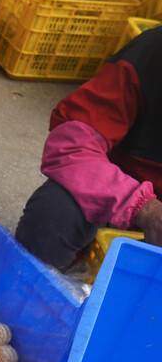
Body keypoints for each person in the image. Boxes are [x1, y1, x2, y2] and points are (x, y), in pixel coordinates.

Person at [15, 25, 161, 270]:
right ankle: (30, 294)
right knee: (55, 209)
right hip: (119, 199)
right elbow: (71, 146)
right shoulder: (151, 56)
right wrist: (144, 208)